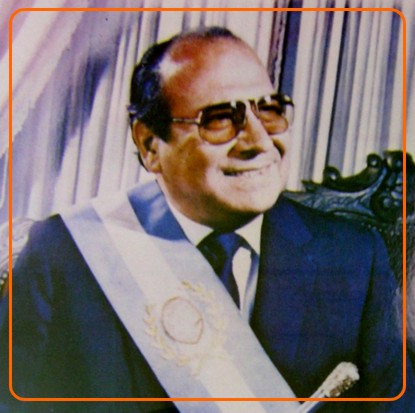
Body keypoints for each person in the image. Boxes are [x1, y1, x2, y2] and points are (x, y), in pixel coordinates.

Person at [0, 27, 413, 413]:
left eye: (270, 111)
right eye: (219, 119)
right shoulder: (66, 255)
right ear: (149, 145)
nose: (259, 142)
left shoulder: (353, 257)